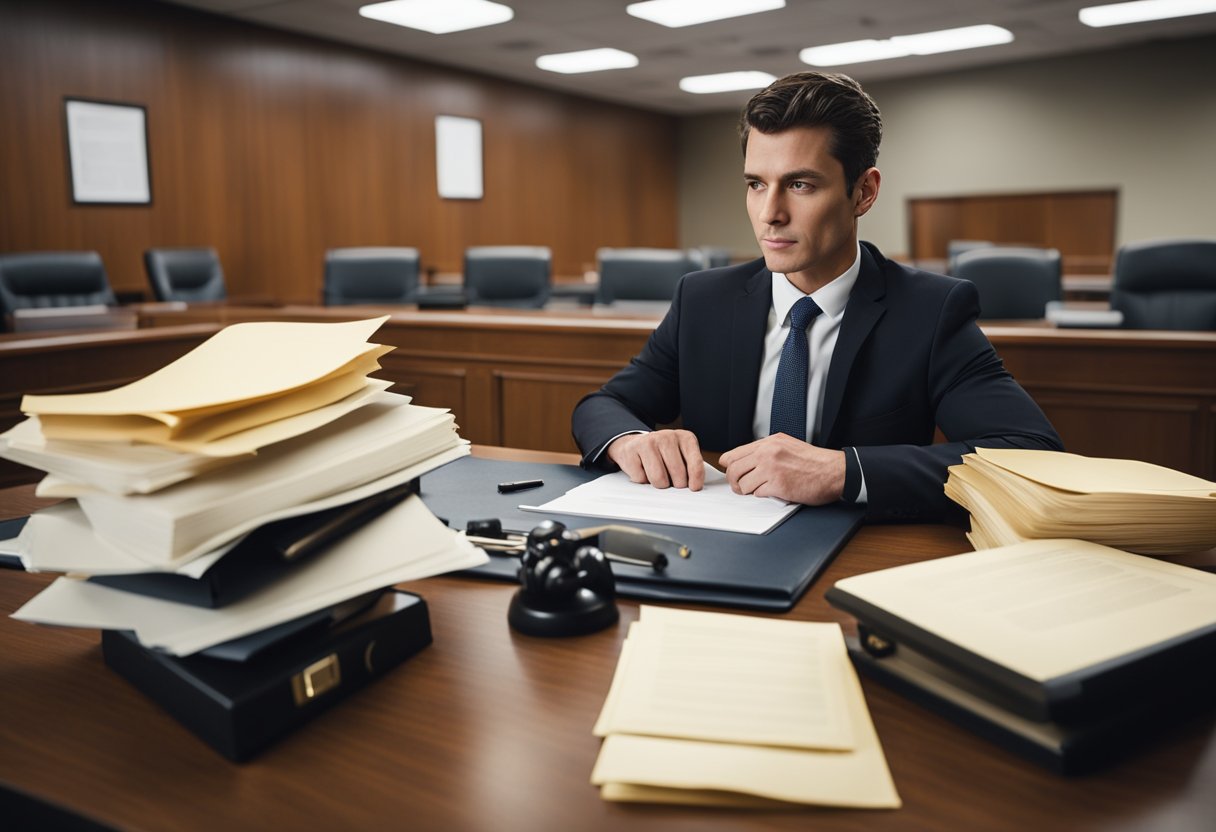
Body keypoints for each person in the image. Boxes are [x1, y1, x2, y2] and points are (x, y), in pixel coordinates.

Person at [571, 71, 1062, 523]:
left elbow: (1029, 452)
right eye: (756, 184)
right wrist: (631, 441)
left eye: (800, 185)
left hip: (854, 557)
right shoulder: (704, 299)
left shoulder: (931, 311)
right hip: (714, 544)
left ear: (863, 193)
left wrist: (842, 471)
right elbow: (604, 404)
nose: (770, 213)